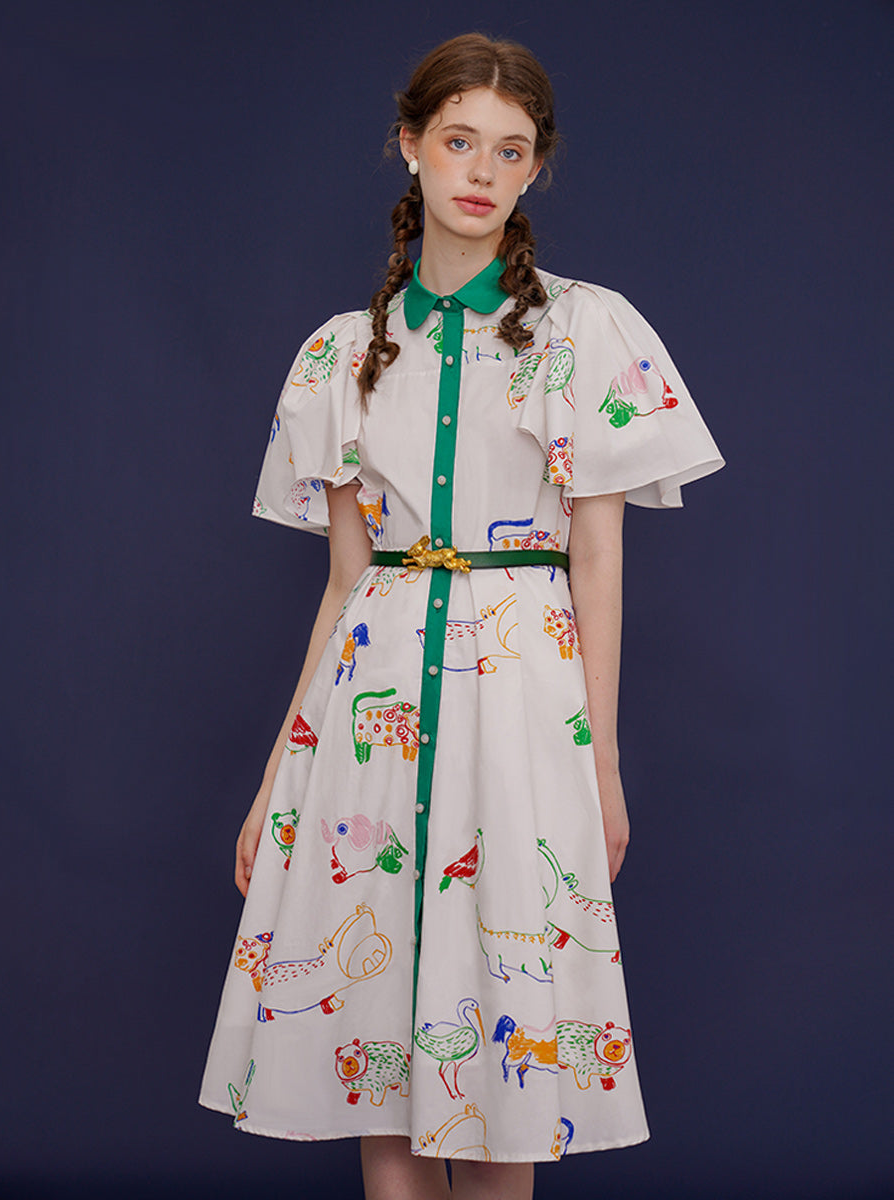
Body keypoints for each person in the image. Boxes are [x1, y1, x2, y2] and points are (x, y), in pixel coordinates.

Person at [199, 32, 723, 1200]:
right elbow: (345, 584)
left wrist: (602, 766)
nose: (482, 171)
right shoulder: (340, 355)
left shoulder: (585, 332)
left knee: (502, 1076)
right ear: (411, 146)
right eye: (459, 141)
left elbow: (598, 562)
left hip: (519, 718)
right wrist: (279, 777)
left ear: (536, 169)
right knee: (380, 1069)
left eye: (511, 150)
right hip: (369, 721)